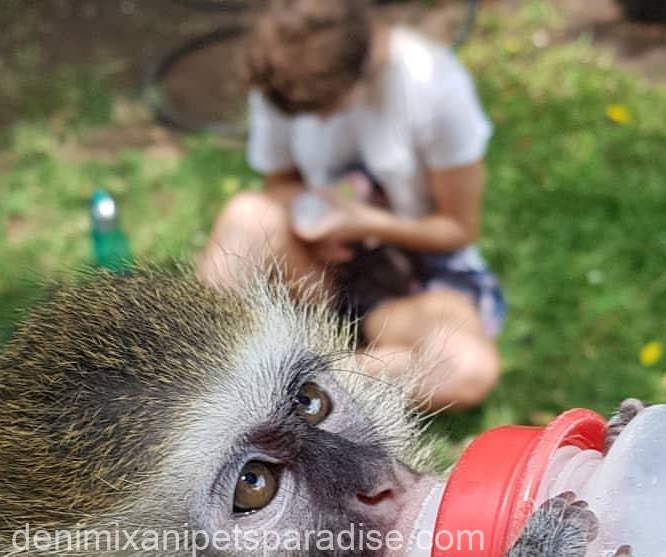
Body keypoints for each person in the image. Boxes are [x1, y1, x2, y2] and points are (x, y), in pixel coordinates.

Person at [198, 0, 504, 411]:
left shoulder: (433, 85)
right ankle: (203, 375)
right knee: (246, 216)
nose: (319, 123)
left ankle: (291, 386)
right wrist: (309, 221)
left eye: (326, 109)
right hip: (324, 273)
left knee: (468, 368)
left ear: (365, 66)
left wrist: (370, 223)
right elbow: (280, 186)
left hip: (411, 280)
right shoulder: (286, 73)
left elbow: (458, 228)